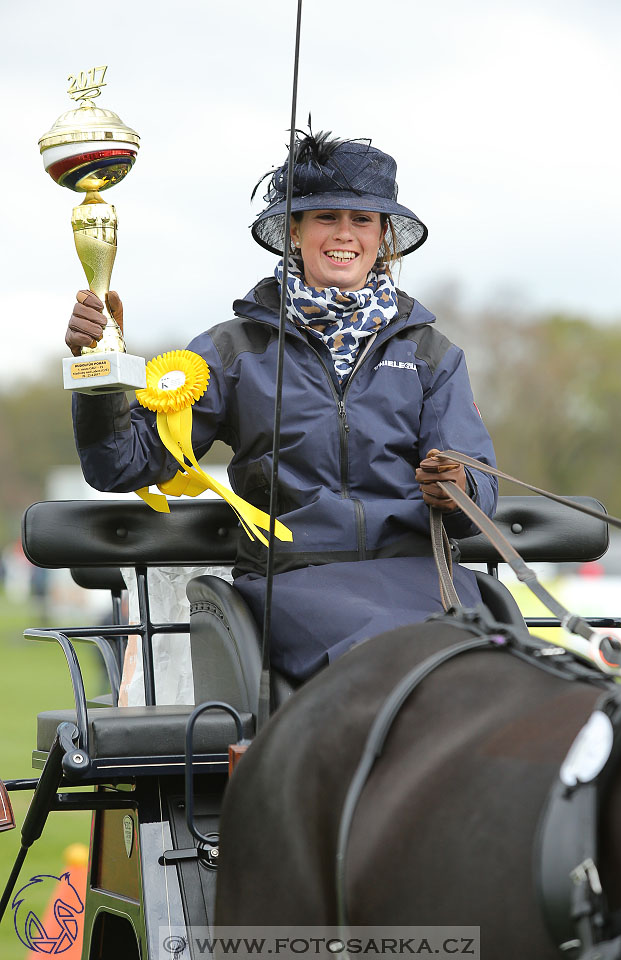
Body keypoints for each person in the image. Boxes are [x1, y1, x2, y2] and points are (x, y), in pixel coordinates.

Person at [65, 131, 498, 682]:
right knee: (392, 661)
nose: (345, 234)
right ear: (295, 231)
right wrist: (100, 372)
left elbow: (478, 487)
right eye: (326, 217)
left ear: (383, 237)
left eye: (363, 220)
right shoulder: (233, 352)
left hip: (421, 575)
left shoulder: (433, 356)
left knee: (499, 669)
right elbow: (119, 465)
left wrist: (457, 487)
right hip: (295, 581)